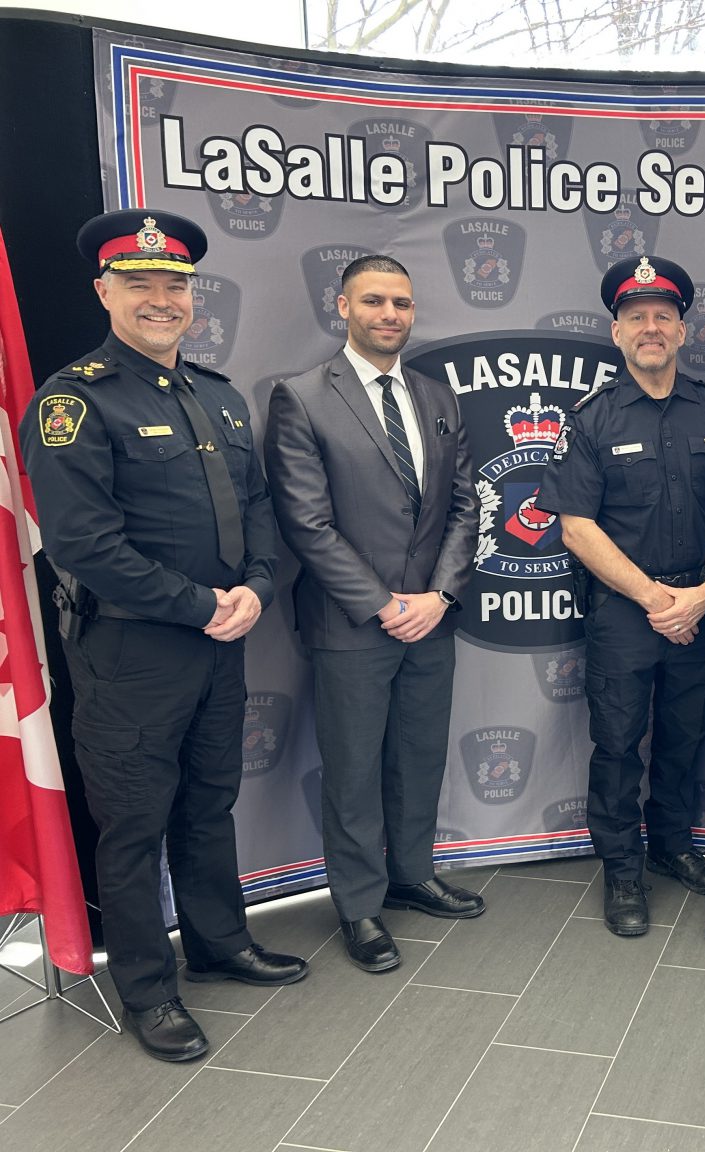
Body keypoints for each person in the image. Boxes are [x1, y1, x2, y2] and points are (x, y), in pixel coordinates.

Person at [19, 210, 308, 1061]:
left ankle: (219, 943)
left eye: (174, 285)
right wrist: (200, 605)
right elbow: (82, 545)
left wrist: (256, 587)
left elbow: (258, 508)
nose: (159, 299)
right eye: (139, 283)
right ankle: (147, 987)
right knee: (136, 826)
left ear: (194, 297)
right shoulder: (72, 403)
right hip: (129, 657)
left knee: (209, 803)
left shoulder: (215, 395)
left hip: (223, 640)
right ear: (103, 289)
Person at [264, 255, 481, 974]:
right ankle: (359, 906)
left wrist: (441, 596)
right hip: (352, 624)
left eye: (403, 303)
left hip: (432, 618)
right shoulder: (300, 398)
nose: (391, 314)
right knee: (354, 770)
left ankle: (411, 875)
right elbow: (306, 523)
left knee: (419, 755)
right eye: (376, 301)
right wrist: (385, 605)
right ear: (343, 307)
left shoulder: (438, 396)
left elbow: (464, 505)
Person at [536, 255, 705, 936]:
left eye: (663, 317)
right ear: (617, 334)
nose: (650, 328)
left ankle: (673, 846)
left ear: (684, 331)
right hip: (627, 611)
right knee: (619, 745)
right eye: (636, 318)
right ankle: (623, 868)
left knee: (686, 737)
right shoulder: (590, 420)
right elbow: (576, 528)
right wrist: (660, 600)